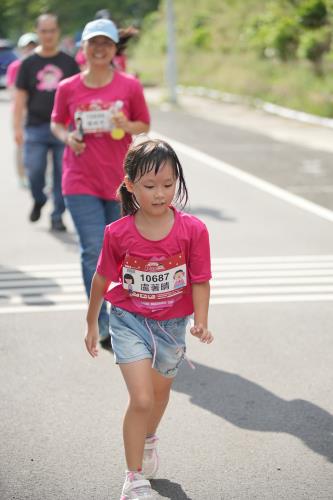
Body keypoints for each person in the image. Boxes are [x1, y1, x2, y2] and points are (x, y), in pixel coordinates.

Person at [85, 139, 214, 500]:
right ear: (130, 185)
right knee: (141, 399)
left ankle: (148, 440)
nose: (160, 194)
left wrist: (200, 320)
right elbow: (101, 278)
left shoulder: (194, 230)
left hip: (172, 326)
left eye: (169, 184)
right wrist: (92, 323)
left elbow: (201, 279)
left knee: (158, 396)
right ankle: (133, 477)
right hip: (128, 320)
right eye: (150, 186)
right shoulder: (118, 233)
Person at [50, 18, 150, 348]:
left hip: (120, 181)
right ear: (83, 49)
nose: (99, 49)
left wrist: (126, 123)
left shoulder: (129, 86)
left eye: (106, 44)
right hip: (79, 180)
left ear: (113, 49)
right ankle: (101, 320)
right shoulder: (68, 87)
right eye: (93, 43)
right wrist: (69, 139)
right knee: (93, 249)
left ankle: (124, 314)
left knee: (122, 253)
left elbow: (143, 125)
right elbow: (57, 124)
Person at [13, 13, 79, 231]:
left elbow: (78, 97)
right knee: (34, 170)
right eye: (44, 31)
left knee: (63, 174)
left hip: (63, 128)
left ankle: (57, 215)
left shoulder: (69, 62)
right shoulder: (28, 64)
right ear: (37, 32)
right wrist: (16, 127)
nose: (48, 35)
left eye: (52, 30)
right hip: (35, 127)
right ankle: (39, 198)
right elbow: (20, 98)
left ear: (57, 32)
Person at [6, 32, 38, 187]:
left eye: (33, 46)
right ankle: (22, 176)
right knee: (21, 144)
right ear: (22, 49)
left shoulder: (41, 65)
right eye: (27, 47)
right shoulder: (15, 67)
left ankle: (44, 177)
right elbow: (13, 89)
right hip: (20, 112)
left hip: (38, 113)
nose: (30, 49)